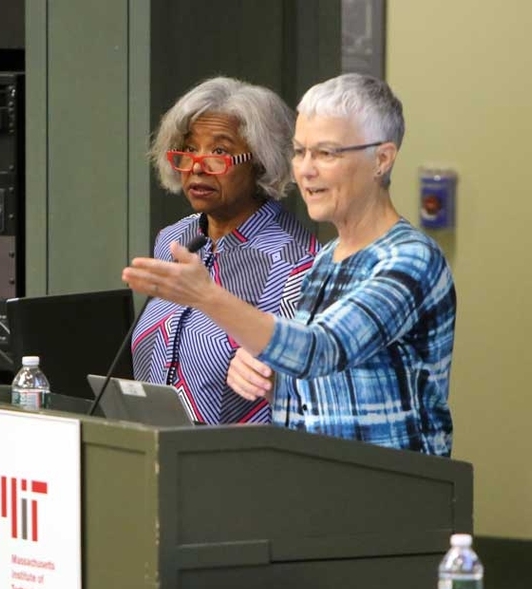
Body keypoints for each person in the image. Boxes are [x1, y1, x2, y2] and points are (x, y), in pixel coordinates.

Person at [123, 73, 456, 456]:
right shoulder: (326, 260)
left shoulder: (410, 259)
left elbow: (319, 350)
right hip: (312, 489)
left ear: (381, 159)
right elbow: (298, 375)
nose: (306, 170)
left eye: (326, 153)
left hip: (392, 496)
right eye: (300, 152)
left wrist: (206, 296)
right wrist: (263, 368)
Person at [131, 76, 319, 425]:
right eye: (189, 149)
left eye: (219, 151)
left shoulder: (296, 264)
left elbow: (301, 389)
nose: (198, 166)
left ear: (261, 162)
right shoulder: (175, 238)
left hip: (238, 466)